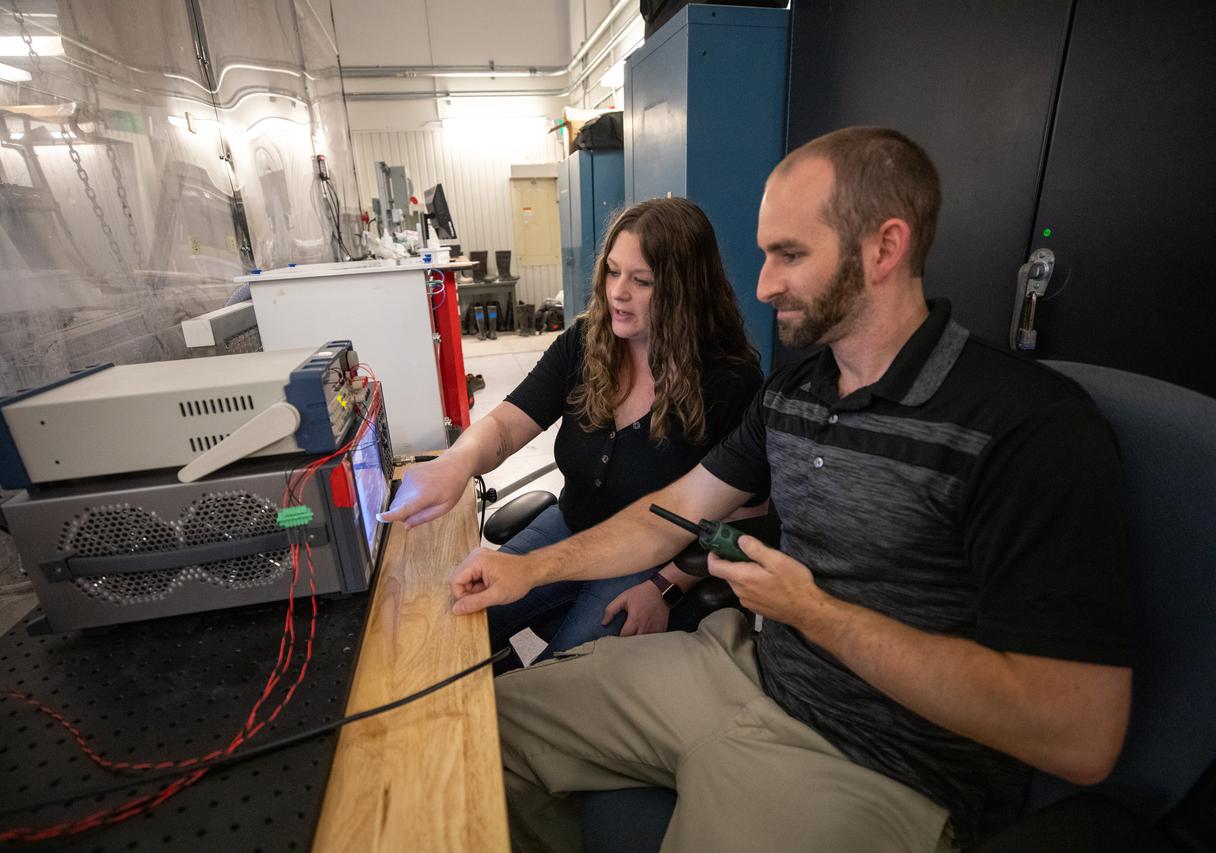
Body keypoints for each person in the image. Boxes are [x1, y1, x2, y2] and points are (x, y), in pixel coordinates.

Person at [448, 127, 1134, 851]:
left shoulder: (1028, 427)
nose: (765, 283)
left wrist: (814, 612)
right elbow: (677, 511)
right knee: (479, 731)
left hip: (875, 760)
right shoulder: (793, 395)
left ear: (885, 247)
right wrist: (531, 568)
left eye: (790, 254)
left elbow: (1079, 734)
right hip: (742, 667)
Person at [381, 197, 764, 665]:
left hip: (649, 564)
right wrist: (455, 462)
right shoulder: (586, 342)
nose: (617, 292)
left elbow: (745, 520)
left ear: (686, 291)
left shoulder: (729, 380)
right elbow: (504, 426)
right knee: (446, 626)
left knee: (551, 682)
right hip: (569, 525)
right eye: (612, 272)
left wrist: (667, 585)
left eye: (641, 281)